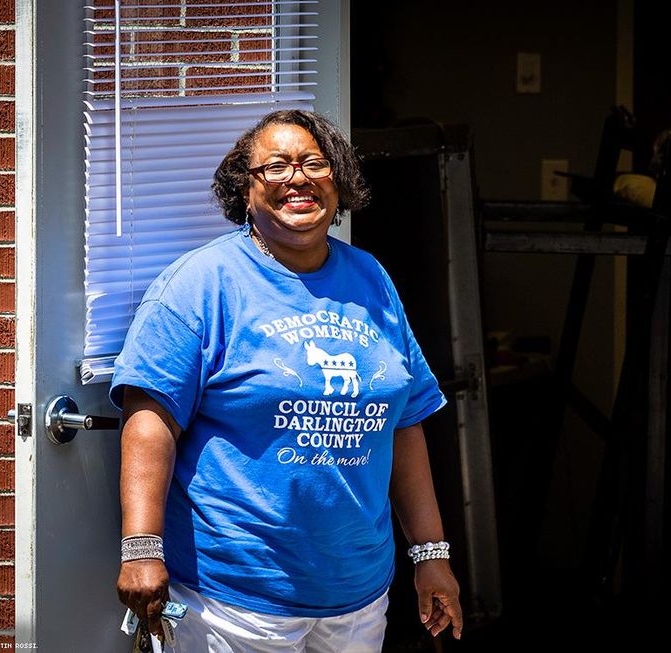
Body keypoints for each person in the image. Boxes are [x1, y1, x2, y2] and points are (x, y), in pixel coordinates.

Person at [111, 109, 463, 652]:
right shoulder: (203, 283)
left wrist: (430, 555)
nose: (297, 178)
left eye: (314, 163)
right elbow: (150, 420)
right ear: (243, 189)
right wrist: (140, 548)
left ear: (338, 179)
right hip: (233, 596)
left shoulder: (371, 278)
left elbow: (404, 421)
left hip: (358, 594)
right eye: (274, 167)